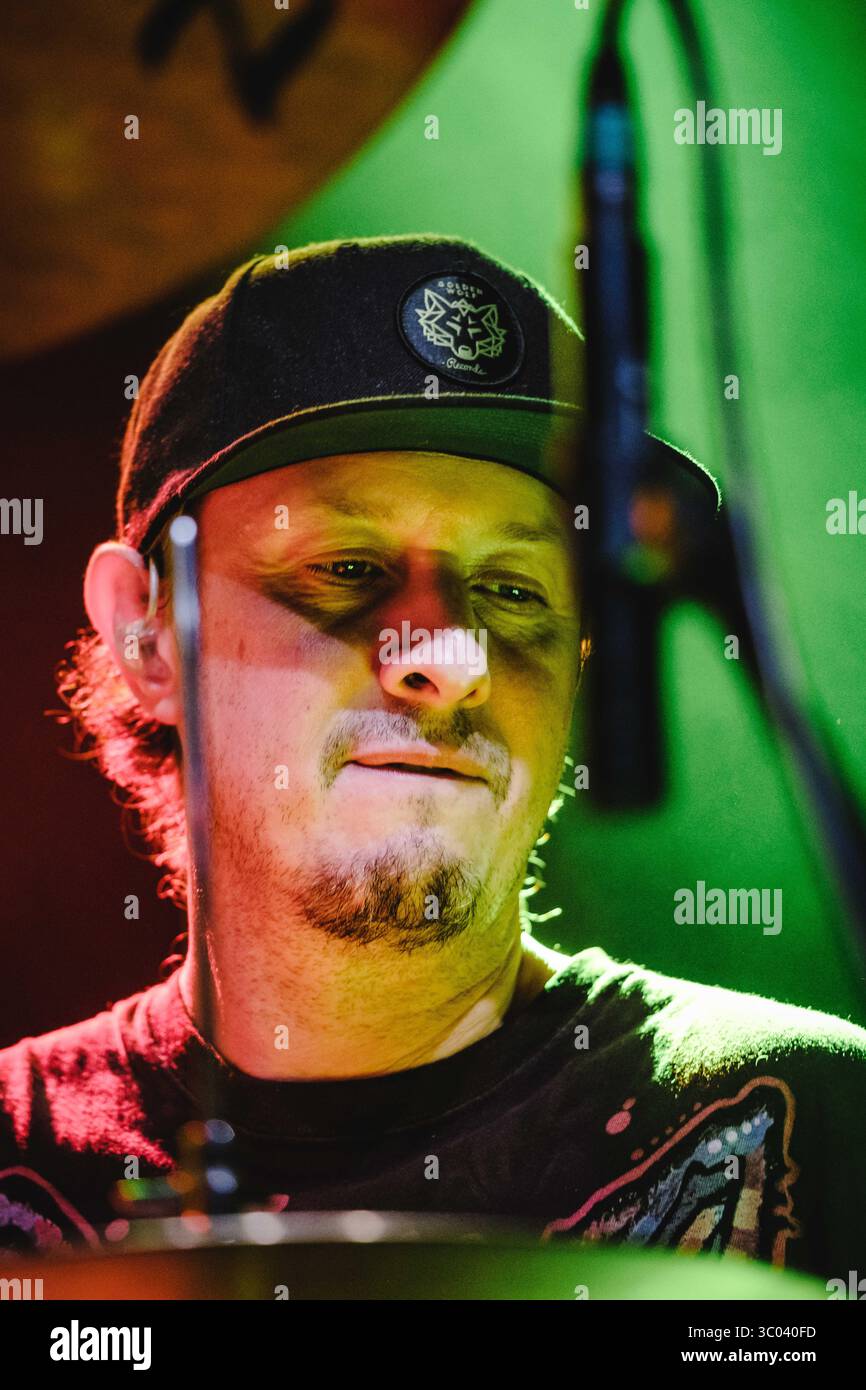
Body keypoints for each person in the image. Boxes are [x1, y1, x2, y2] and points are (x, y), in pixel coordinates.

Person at [1, 235, 863, 1288]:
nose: (449, 659)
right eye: (347, 567)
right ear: (145, 635)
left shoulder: (817, 1116)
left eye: (512, 590)